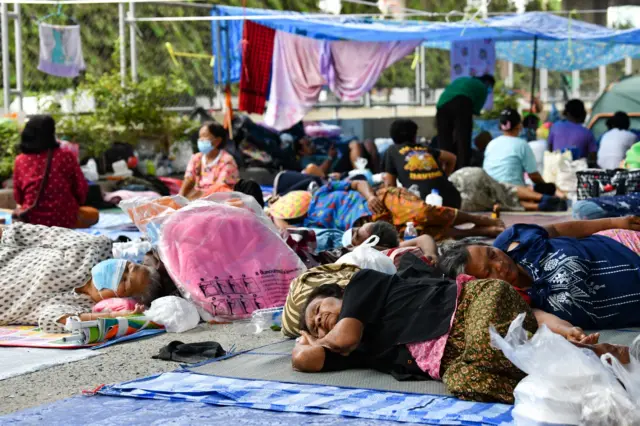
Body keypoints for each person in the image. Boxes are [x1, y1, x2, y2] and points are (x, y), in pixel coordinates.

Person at [292, 256, 630, 403]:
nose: (319, 320)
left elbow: (344, 337)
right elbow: (307, 361)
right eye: (314, 325)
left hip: (476, 304)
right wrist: (305, 342)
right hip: (465, 356)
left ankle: (584, 359)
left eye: (319, 310)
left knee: (485, 347)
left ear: (339, 295)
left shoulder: (361, 285)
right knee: (464, 381)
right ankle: (585, 372)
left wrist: (318, 339)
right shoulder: (354, 348)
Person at [438, 217, 640, 331]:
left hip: (626, 245)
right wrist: (569, 333)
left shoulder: (513, 242)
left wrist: (613, 222)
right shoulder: (516, 305)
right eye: (488, 271)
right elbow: (546, 321)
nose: (499, 264)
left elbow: (557, 229)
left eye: (492, 254)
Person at [0, 223, 169, 333]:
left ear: (122, 299)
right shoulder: (91, 248)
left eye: (125, 281)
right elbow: (18, 232)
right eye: (127, 267)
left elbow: (51, 320)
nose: (118, 273)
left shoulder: (84, 308)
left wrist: (114, 316)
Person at [269, 179, 505, 241]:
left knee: (425, 213)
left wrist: (371, 196)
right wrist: (272, 212)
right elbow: (284, 230)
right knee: (427, 232)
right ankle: (482, 231)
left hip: (382, 200)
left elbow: (358, 183)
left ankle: (483, 220)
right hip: (371, 225)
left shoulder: (322, 191)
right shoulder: (310, 225)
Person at [12, 115, 98, 229]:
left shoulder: (20, 160)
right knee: (93, 214)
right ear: (51, 134)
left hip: (32, 220)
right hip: (65, 219)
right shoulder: (66, 156)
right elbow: (81, 189)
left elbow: (18, 197)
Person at [383, 119, 461, 208]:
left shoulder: (392, 151)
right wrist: (442, 177)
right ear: (414, 136)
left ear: (393, 137)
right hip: (452, 199)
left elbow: (390, 186)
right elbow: (452, 158)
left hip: (422, 204)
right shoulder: (425, 149)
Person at [436, 74, 495, 169]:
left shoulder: (463, 80)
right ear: (488, 83)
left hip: (441, 105)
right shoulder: (482, 87)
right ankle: (463, 167)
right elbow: (476, 110)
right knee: (463, 139)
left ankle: (444, 167)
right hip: (462, 102)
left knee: (444, 140)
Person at [450, 167, 566, 212]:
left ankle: (539, 206)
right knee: (506, 190)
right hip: (463, 175)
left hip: (462, 202)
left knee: (501, 204)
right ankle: (542, 198)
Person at [179, 121, 240, 200]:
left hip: (218, 201)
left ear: (217, 141)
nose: (200, 140)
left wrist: (197, 197)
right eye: (200, 137)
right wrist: (180, 197)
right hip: (197, 199)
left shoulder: (227, 161)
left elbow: (221, 188)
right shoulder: (197, 158)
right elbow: (188, 179)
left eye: (204, 136)